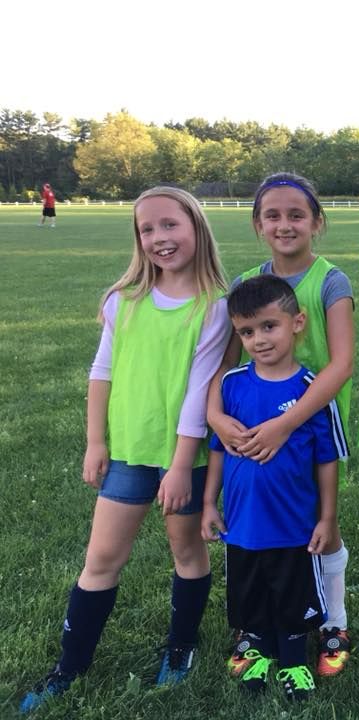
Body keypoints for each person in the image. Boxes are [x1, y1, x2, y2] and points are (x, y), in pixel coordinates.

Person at [20, 187, 231, 713]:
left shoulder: (215, 307)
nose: (160, 238)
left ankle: (180, 647)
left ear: (196, 228)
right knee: (101, 559)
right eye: (148, 229)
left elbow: (201, 391)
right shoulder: (123, 302)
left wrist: (181, 466)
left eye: (170, 225)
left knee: (187, 553)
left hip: (185, 457)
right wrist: (96, 442)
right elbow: (102, 371)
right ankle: (70, 666)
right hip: (130, 454)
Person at [206, 171, 354, 678]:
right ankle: (256, 629)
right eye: (273, 215)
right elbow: (224, 367)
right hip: (254, 430)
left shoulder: (331, 279)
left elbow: (340, 364)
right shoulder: (248, 285)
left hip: (309, 427)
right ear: (257, 224)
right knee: (265, 530)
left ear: (317, 221)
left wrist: (287, 424)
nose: (285, 224)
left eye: (296, 214)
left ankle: (334, 621)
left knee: (318, 527)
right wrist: (214, 415)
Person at [201, 275, 344, 701]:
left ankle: (296, 661)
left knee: (293, 594)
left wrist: (328, 517)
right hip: (243, 524)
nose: (259, 339)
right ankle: (260, 652)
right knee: (251, 593)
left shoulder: (311, 392)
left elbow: (327, 457)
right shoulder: (231, 385)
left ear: (297, 322)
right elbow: (217, 449)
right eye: (247, 331)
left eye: (269, 326)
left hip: (295, 525)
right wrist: (209, 503)